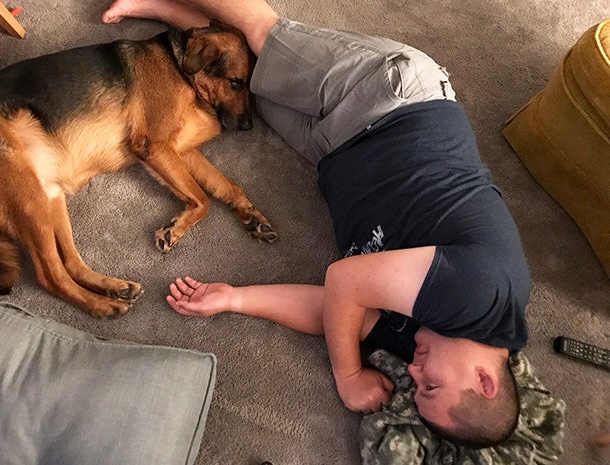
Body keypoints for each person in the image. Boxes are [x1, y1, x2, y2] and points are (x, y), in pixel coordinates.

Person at [103, 0, 532, 449]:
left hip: (335, 151)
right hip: (393, 100)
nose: (414, 373)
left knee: (250, 81)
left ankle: (169, 14)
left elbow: (334, 310)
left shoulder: (427, 343)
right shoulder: (484, 296)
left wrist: (235, 299)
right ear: (485, 381)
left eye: (417, 385)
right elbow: (345, 282)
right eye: (430, 385)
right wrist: (349, 374)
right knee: (263, 35)